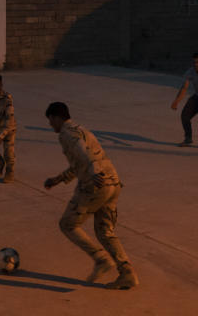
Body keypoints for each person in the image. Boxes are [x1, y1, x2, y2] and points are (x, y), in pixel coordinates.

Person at [43, 102, 139, 290]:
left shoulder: (66, 133)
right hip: (113, 182)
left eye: (50, 120)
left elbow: (82, 153)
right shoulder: (81, 129)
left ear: (57, 118)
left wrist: (94, 173)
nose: (50, 125)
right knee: (105, 231)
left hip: (95, 185)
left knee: (67, 224)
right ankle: (127, 272)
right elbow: (78, 163)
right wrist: (58, 179)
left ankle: (101, 259)